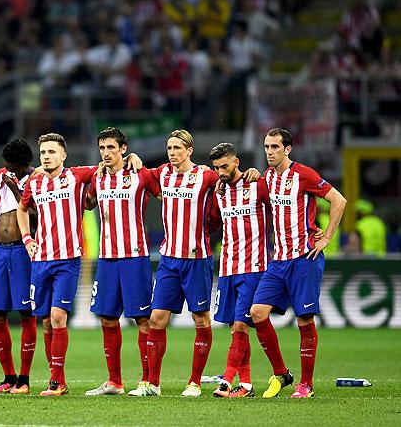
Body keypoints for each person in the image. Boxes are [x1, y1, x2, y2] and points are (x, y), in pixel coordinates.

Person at [134, 129, 259, 397]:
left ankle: (194, 382)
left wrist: (252, 172)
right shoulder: (162, 173)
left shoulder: (206, 175)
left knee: (201, 319)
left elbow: (231, 176)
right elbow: (140, 172)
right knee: (156, 318)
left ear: (189, 150)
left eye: (177, 148)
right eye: (169, 148)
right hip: (168, 258)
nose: (172, 152)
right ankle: (153, 384)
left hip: (197, 258)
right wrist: (132, 156)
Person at [250, 128, 347, 398]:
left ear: (288, 149)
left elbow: (339, 200)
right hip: (278, 260)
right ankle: (282, 373)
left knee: (304, 319)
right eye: (267, 147)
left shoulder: (304, 174)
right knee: (257, 313)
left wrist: (326, 236)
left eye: (275, 147)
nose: (269, 152)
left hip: (304, 258)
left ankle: (307, 384)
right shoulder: (268, 177)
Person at [16, 133, 98, 396]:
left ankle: (55, 381)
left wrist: (131, 157)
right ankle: (58, 379)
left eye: (52, 152)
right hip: (40, 260)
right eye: (43, 153)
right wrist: (28, 238)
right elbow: (21, 208)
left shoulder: (76, 175)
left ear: (63, 155)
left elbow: (106, 166)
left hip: (68, 259)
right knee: (46, 321)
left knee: (58, 316)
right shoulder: (35, 182)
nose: (47, 156)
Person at [83, 127, 160, 397]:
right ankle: (114, 381)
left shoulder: (141, 175)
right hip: (106, 258)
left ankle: (148, 381)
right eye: (102, 148)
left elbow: (169, 195)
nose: (106, 153)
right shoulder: (98, 178)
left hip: (134, 256)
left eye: (111, 148)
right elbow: (88, 202)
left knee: (142, 320)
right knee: (107, 318)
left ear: (123, 149)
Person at [208, 143, 270, 398]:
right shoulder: (219, 191)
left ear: (236, 162)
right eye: (217, 168)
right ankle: (245, 384)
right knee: (235, 328)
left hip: (253, 267)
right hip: (227, 267)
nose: (221, 171)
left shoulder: (258, 185)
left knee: (241, 327)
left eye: (224, 166)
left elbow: (282, 209)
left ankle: (227, 380)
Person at [0, 137, 38, 394]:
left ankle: (24, 379)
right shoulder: (4, 178)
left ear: (26, 164)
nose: (9, 170)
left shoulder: (35, 180)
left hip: (23, 252)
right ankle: (9, 377)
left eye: (14, 166)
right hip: (1, 252)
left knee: (25, 314)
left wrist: (15, 188)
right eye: (7, 166)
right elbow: (1, 219)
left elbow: (35, 214)